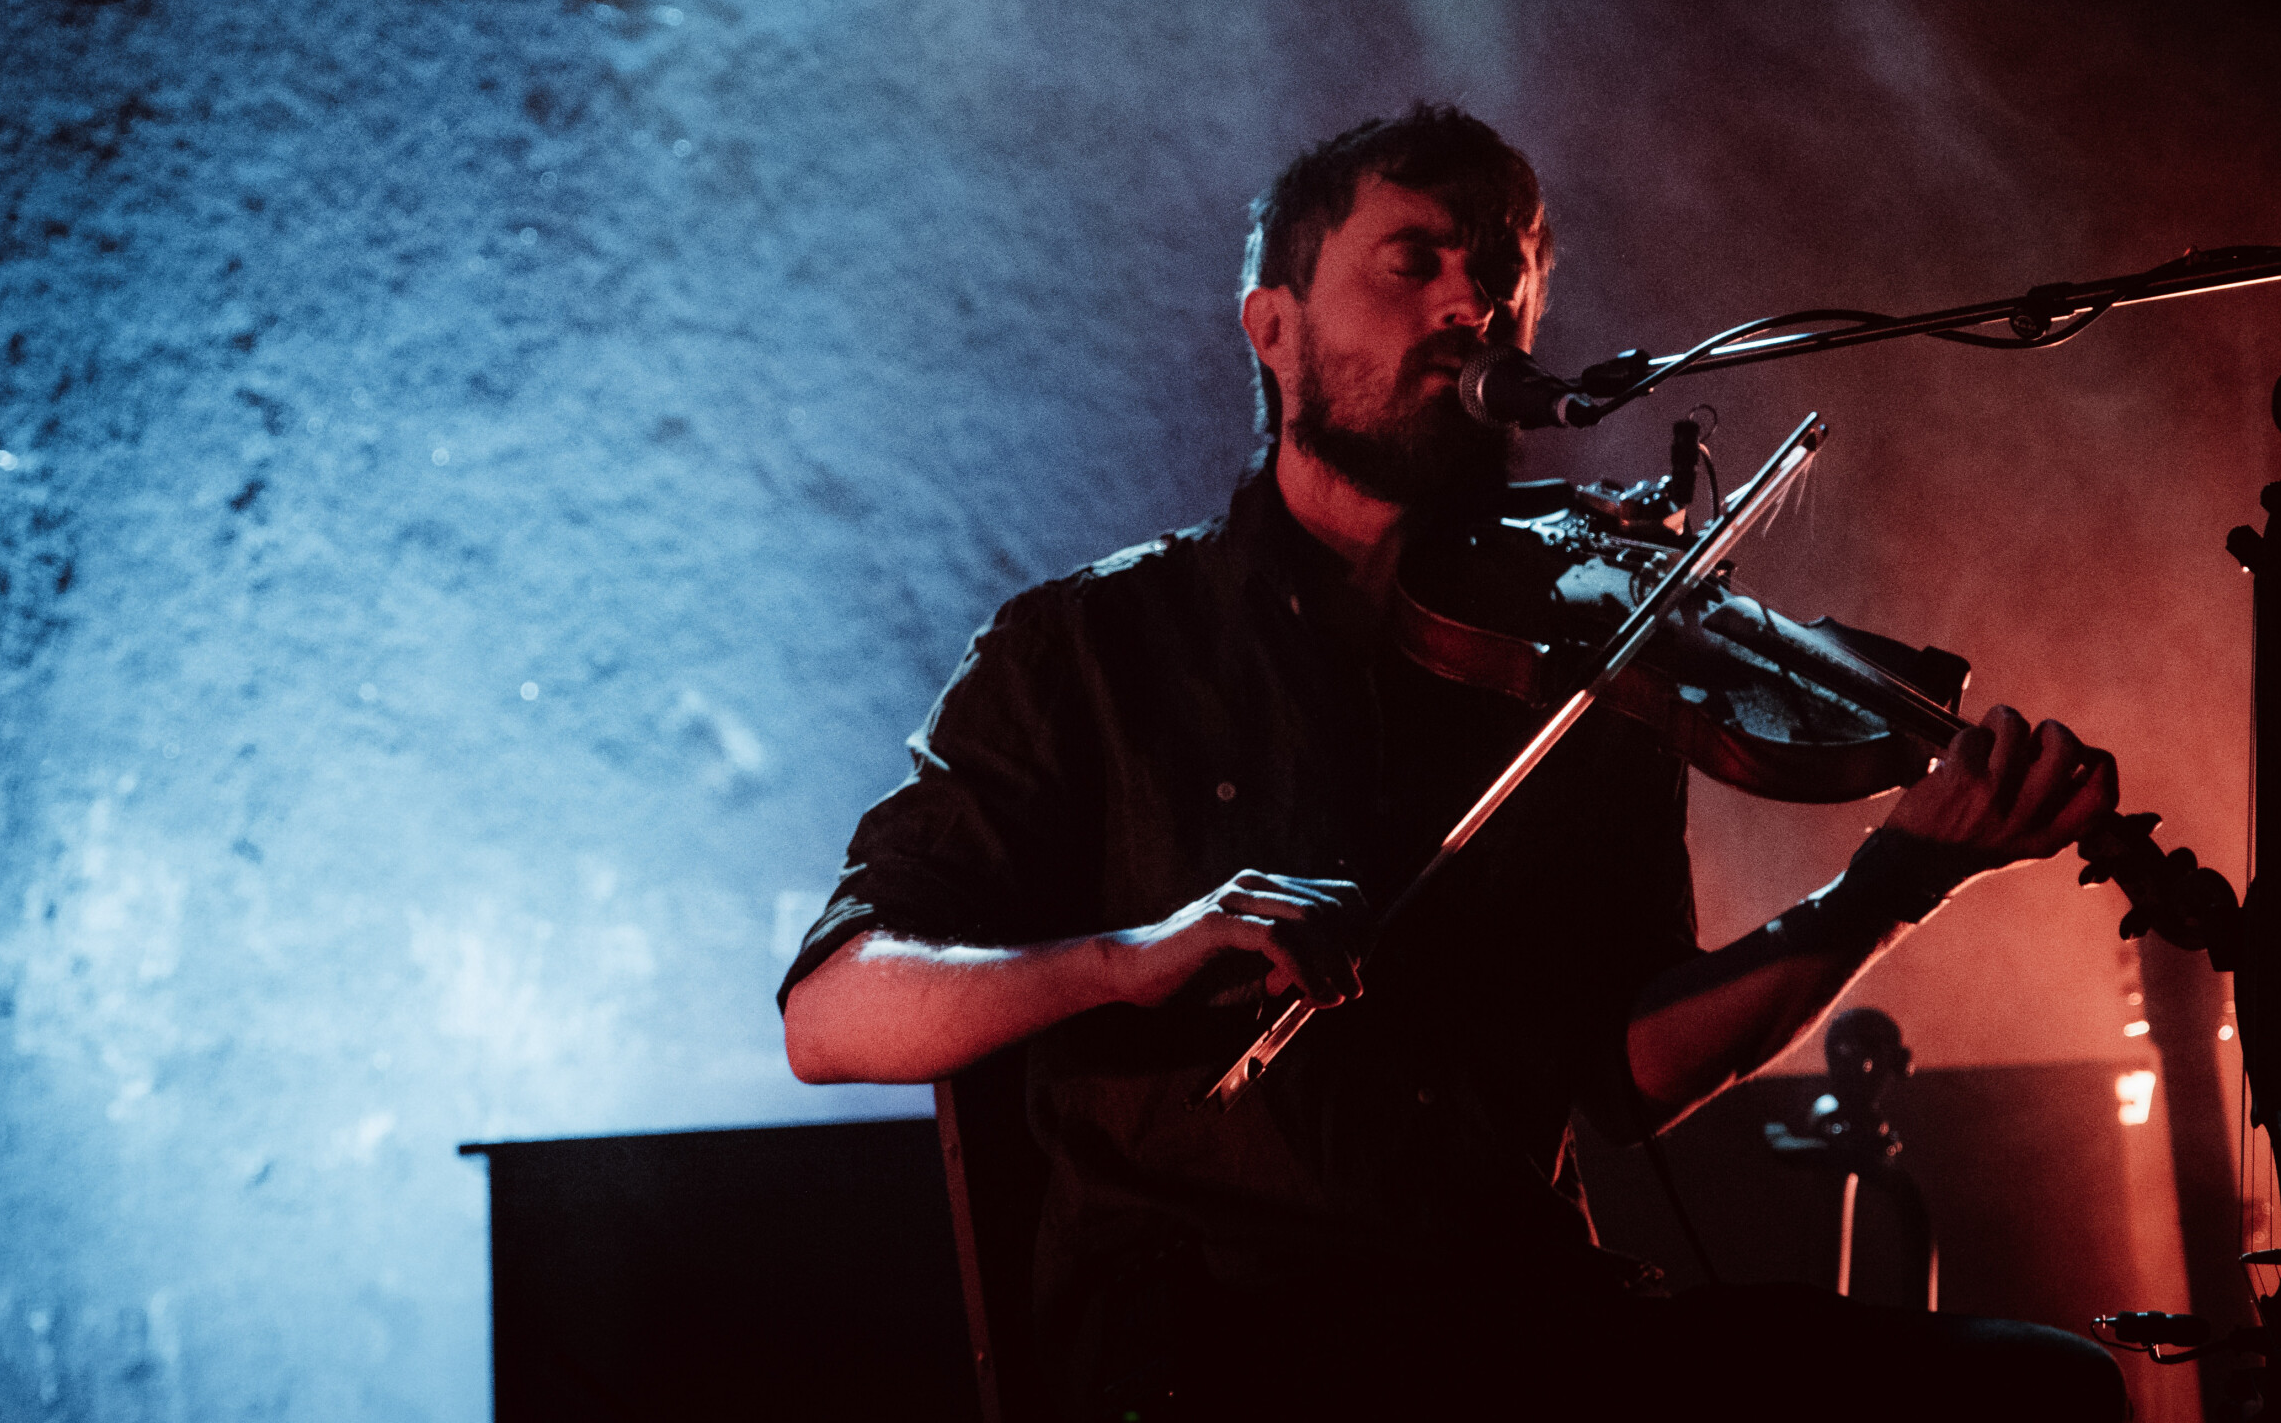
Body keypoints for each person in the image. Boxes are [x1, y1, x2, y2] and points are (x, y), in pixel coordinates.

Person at [779, 106, 2126, 1421]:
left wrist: (1894, 879)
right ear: (1274, 327)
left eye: (1502, 274)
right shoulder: (1093, 646)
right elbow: (832, 1015)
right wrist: (1128, 959)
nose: (1469, 302)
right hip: (1227, 1348)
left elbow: (1622, 1076)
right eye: (1411, 260)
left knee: (2036, 1389)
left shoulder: (1584, 652)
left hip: (1521, 1325)